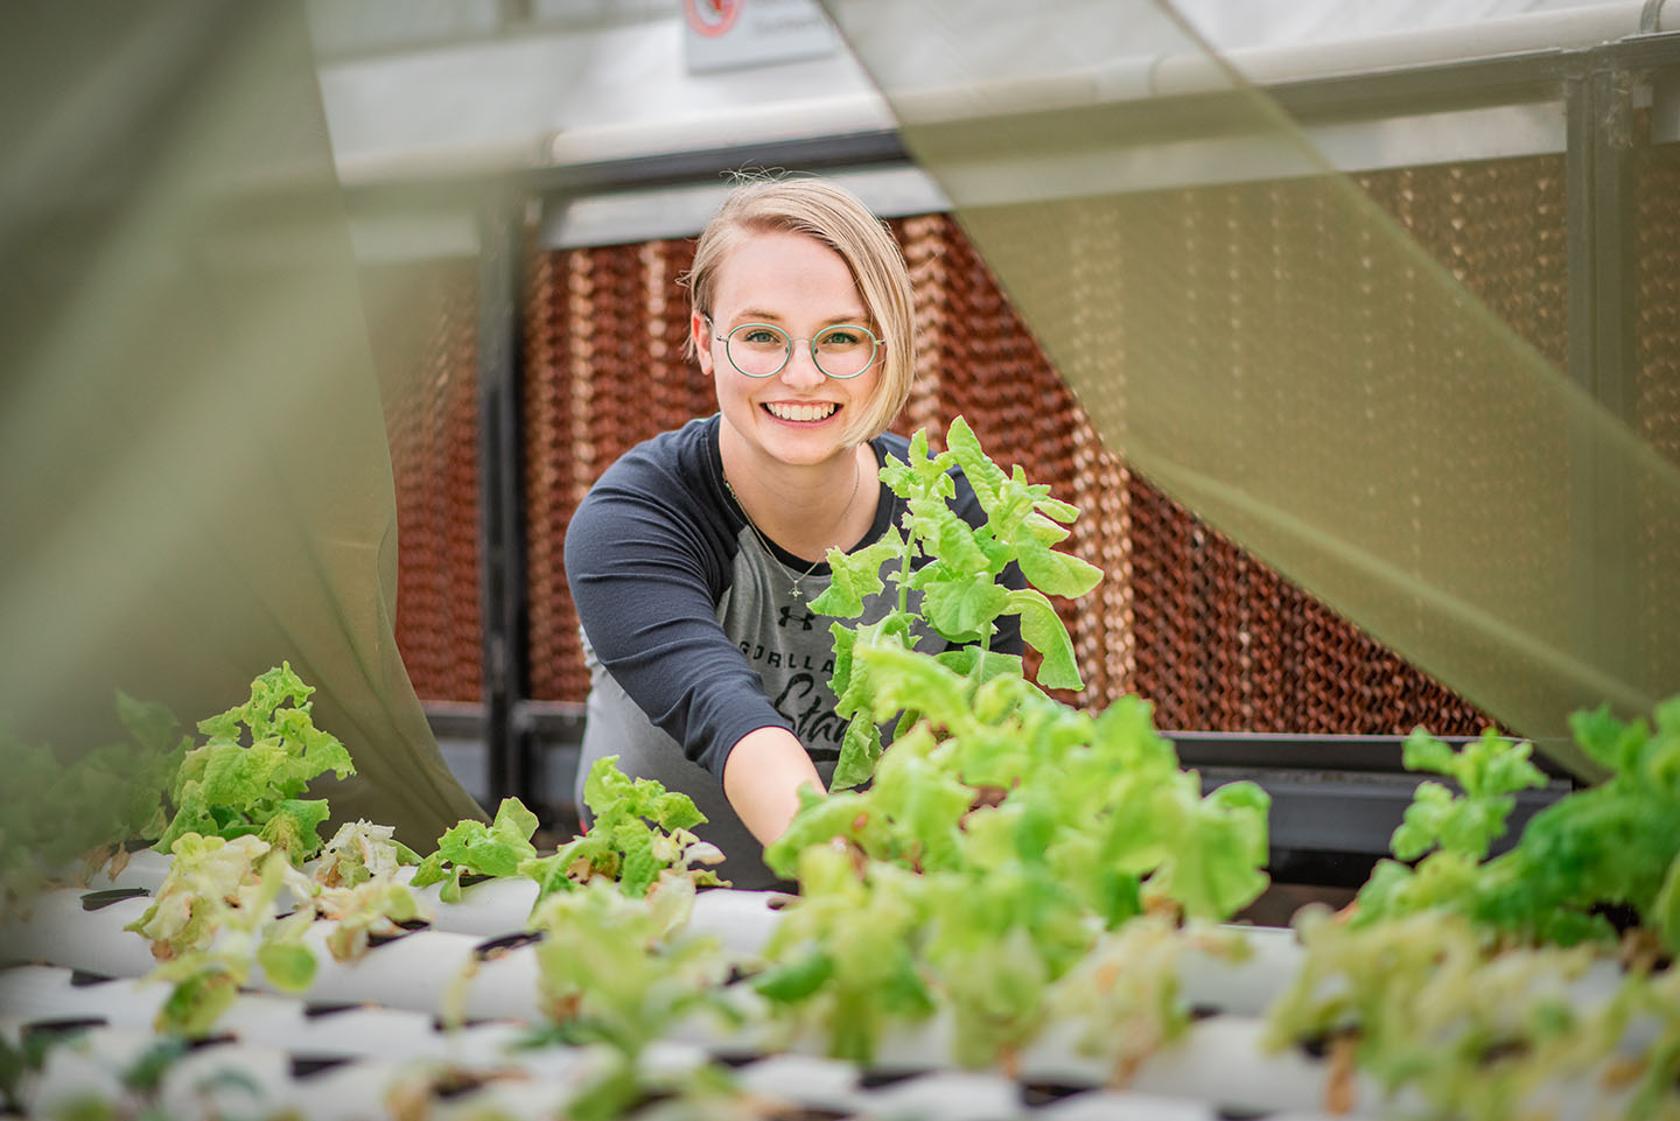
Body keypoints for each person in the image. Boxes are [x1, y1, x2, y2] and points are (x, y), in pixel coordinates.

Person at [563, 175, 1022, 888]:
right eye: (760, 335)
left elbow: (970, 749)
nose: (800, 374)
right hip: (658, 912)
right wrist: (843, 880)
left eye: (839, 337)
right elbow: (727, 713)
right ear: (706, 343)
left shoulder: (957, 511)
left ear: (886, 346)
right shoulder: (636, 517)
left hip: (881, 918)